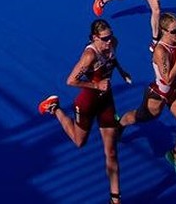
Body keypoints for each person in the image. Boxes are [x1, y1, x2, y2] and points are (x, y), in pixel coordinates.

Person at [37, 18, 133, 204]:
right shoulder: (90, 56)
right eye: (104, 39)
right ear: (94, 38)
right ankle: (54, 108)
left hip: (106, 101)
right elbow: (71, 80)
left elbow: (113, 59)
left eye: (110, 37)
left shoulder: (113, 43)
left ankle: (115, 199)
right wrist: (96, 84)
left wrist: (122, 71)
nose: (108, 42)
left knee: (111, 151)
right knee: (79, 142)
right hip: (87, 103)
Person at [116, 11, 176, 181]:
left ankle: (175, 155)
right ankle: (120, 123)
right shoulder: (160, 51)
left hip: (174, 91)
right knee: (140, 117)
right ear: (164, 31)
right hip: (159, 93)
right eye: (174, 31)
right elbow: (166, 79)